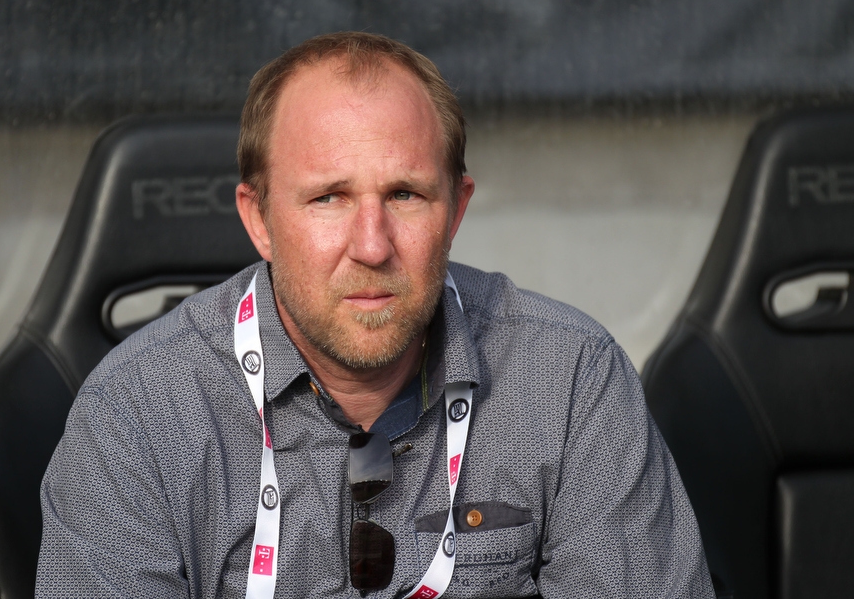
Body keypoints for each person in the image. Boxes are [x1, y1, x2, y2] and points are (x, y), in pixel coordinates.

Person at [36, 31, 714, 598]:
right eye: (329, 197)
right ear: (259, 219)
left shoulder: (571, 382)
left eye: (406, 194)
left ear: (455, 210)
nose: (371, 244)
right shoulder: (136, 413)